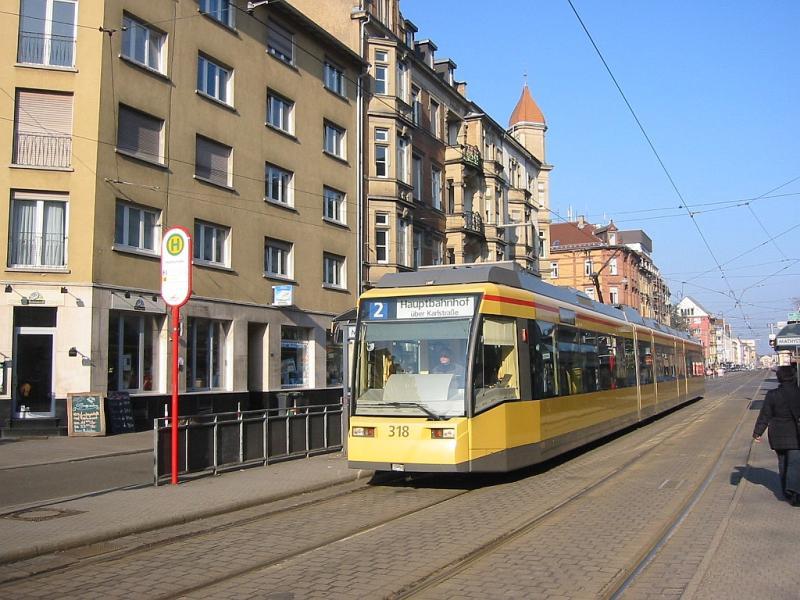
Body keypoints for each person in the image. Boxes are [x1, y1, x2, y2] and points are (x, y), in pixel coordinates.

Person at [753, 365, 800, 505]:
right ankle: (793, 492)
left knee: (782, 462)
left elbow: (765, 415)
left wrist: (757, 433)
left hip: (777, 434)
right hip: (796, 434)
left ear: (779, 378)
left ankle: (786, 491)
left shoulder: (772, 395)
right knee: (794, 463)